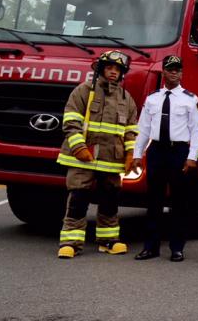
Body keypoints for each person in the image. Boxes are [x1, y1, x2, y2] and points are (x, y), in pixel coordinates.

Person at [56, 50, 139, 259]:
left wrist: (130, 154)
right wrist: (78, 147)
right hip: (84, 157)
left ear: (122, 74)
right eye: (109, 68)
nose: (113, 72)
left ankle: (108, 240)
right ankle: (71, 243)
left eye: (117, 69)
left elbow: (131, 130)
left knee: (110, 200)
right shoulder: (83, 91)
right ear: (101, 70)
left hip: (111, 160)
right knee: (78, 199)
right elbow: (71, 121)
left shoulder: (125, 98)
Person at [132, 55, 198, 261]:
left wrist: (192, 157)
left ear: (181, 73)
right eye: (170, 69)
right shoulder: (152, 98)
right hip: (156, 151)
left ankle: (177, 248)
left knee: (179, 202)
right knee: (153, 200)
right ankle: (150, 247)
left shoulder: (191, 99)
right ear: (163, 72)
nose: (174, 73)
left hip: (178, 151)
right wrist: (138, 154)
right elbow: (143, 129)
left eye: (177, 70)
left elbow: (197, 130)